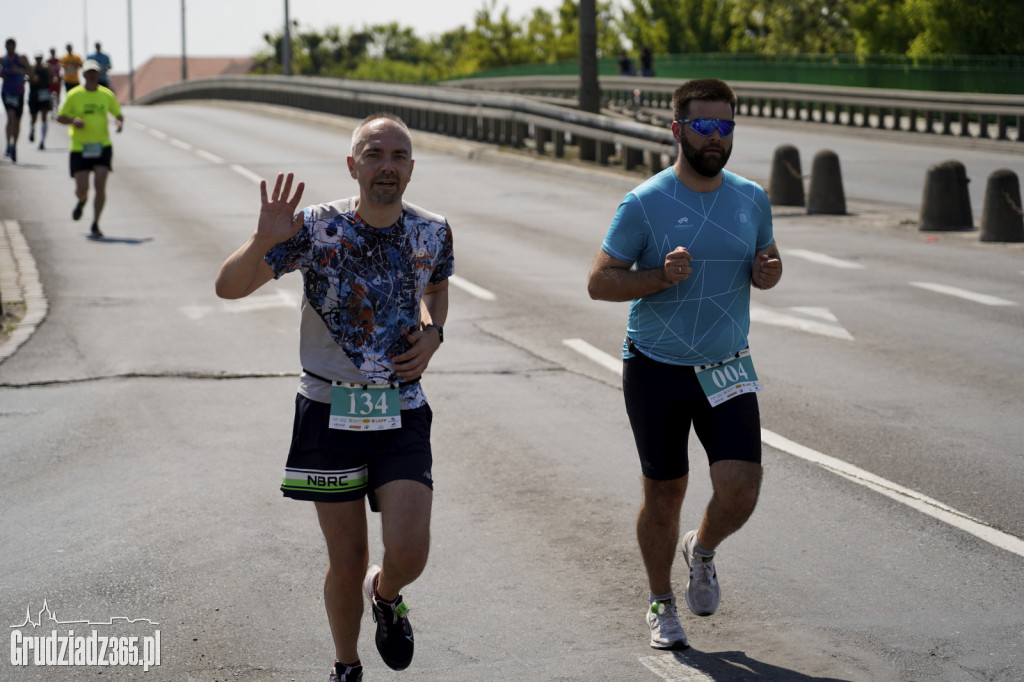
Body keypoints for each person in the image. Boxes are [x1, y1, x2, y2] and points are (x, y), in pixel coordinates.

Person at [214, 112, 453, 682]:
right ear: (353, 166)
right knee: (345, 560)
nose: (386, 166)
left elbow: (436, 287)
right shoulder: (315, 228)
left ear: (412, 169)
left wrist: (434, 334)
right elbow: (228, 287)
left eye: (398, 156)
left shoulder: (433, 230)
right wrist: (263, 240)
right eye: (374, 154)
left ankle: (388, 594)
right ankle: (347, 664)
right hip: (328, 409)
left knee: (409, 550)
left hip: (401, 407)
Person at [586, 78, 782, 651]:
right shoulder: (645, 202)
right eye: (703, 125)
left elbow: (765, 261)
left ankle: (701, 550)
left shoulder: (751, 197)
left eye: (724, 126)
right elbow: (599, 282)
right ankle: (660, 602)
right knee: (664, 493)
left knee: (741, 489)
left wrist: (767, 272)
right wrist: (657, 277)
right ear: (677, 129)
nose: (714, 137)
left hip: (726, 366)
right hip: (656, 368)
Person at [56, 59, 123, 238]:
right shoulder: (74, 95)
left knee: (100, 185)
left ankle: (95, 223)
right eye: (88, 72)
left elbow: (118, 113)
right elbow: (60, 117)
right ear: (83, 74)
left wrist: (118, 122)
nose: (92, 75)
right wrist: (72, 121)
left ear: (98, 74)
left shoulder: (106, 94)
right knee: (82, 188)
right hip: (80, 147)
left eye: (95, 72)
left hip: (102, 146)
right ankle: (81, 201)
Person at [2, 38, 29, 163]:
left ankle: (14, 146)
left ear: (15, 46)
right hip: (7, 92)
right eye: (8, 46)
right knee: (10, 118)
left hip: (19, 92)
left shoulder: (22, 58)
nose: (10, 48)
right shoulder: (3, 59)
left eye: (12, 46)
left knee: (17, 122)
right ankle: (8, 144)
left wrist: (20, 71)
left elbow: (31, 72)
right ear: (5, 47)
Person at [28, 53, 53, 149]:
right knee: (34, 117)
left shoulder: (47, 68)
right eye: (37, 58)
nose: (38, 60)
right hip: (34, 95)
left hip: (44, 95)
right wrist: (32, 79)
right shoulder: (32, 68)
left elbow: (52, 79)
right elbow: (28, 78)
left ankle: (42, 141)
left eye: (40, 58)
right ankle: (32, 129)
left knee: (44, 116)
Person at [46, 47, 62, 117]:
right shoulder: (48, 61)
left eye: (53, 51)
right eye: (51, 51)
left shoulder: (58, 61)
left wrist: (61, 79)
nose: (53, 53)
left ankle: (57, 109)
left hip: (58, 82)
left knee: (58, 97)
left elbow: (61, 70)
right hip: (50, 82)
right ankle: (52, 111)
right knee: (51, 98)